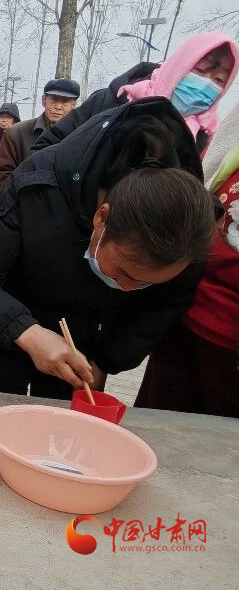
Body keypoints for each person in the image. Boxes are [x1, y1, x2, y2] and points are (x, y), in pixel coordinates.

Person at [0, 97, 217, 398]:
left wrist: (106, 362)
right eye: (122, 273)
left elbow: (163, 305)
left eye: (145, 284)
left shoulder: (188, 228)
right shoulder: (40, 183)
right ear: (101, 217)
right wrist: (27, 332)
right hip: (5, 330)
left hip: (83, 350)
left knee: (60, 435)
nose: (127, 290)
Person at [134, 104, 239, 418]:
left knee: (220, 451)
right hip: (188, 311)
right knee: (159, 426)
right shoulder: (230, 141)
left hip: (231, 337)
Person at [34, 33, 238, 156]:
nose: (205, 85)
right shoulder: (112, 101)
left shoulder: (205, 141)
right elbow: (45, 149)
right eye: (201, 71)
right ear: (178, 65)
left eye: (218, 80)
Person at [0, 78, 79, 192]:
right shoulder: (17, 133)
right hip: (23, 205)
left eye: (65, 102)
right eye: (53, 100)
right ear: (44, 100)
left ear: (74, 105)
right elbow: (0, 176)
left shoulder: (81, 137)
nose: (58, 107)